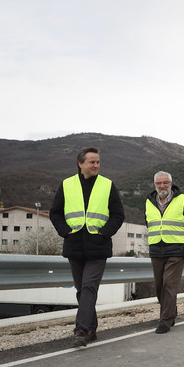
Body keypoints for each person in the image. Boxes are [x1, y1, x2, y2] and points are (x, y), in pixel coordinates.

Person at [49, 147, 125, 348]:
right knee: (81, 290)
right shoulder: (67, 185)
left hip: (98, 246)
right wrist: (65, 231)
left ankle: (81, 330)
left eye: (98, 162)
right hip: (74, 244)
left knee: (89, 286)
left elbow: (118, 214)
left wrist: (105, 232)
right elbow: (55, 213)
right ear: (80, 164)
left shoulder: (108, 185)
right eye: (92, 162)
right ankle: (91, 327)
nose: (96, 165)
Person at [145, 171, 184, 334]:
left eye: (165, 183)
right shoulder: (149, 202)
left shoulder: (183, 200)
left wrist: (182, 242)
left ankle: (165, 321)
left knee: (169, 284)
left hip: (176, 250)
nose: (162, 186)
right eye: (159, 183)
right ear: (155, 185)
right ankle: (171, 312)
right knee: (160, 286)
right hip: (156, 250)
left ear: (171, 183)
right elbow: (148, 223)